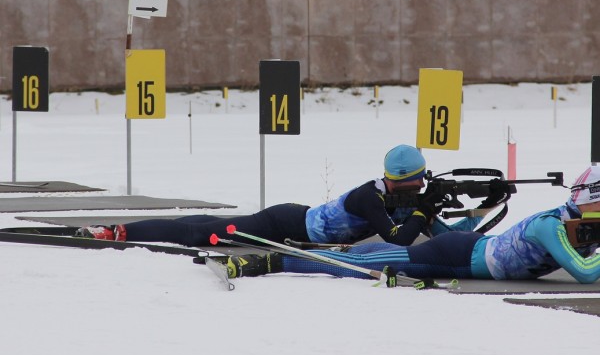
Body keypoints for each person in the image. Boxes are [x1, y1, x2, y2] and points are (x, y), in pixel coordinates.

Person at [222, 165, 600, 283]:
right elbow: (584, 273)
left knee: (379, 254)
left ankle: (307, 253)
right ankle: (273, 262)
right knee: (365, 264)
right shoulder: (551, 226)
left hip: (468, 247)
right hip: (458, 256)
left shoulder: (578, 227)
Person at [77, 144, 499, 248]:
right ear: (403, 181)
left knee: (201, 228)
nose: (422, 190)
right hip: (282, 223)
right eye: (418, 185)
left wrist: (482, 211)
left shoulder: (401, 198)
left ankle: (117, 229)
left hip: (295, 221)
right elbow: (399, 238)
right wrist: (423, 211)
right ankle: (116, 231)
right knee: (198, 231)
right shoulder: (370, 199)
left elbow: (435, 234)